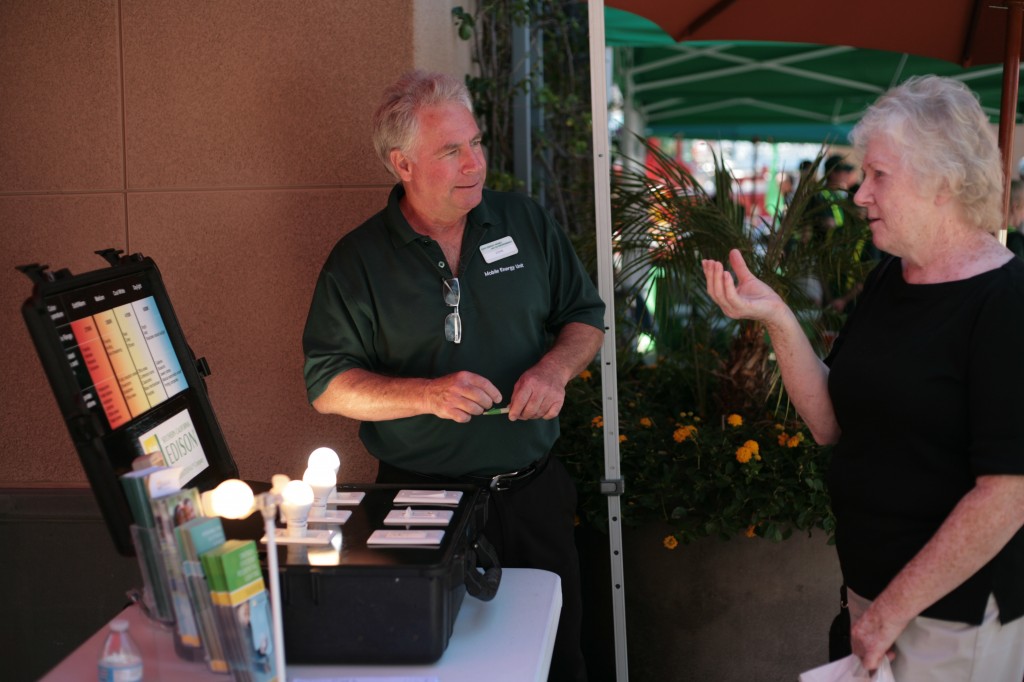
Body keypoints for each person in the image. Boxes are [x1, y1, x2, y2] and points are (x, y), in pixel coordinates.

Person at [701, 75, 1024, 680]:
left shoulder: (1006, 302)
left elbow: (1008, 494)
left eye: (879, 176)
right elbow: (830, 423)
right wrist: (775, 315)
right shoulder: (890, 279)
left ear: (942, 183)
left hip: (953, 621)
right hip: (872, 597)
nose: (859, 195)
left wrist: (888, 614)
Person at [302, 70, 605, 681]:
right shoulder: (357, 261)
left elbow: (584, 317)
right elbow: (327, 384)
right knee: (430, 662)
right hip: (418, 505)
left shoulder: (525, 222)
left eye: (476, 143)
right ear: (402, 164)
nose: (474, 163)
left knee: (558, 660)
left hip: (532, 495)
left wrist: (553, 370)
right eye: (450, 151)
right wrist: (426, 395)